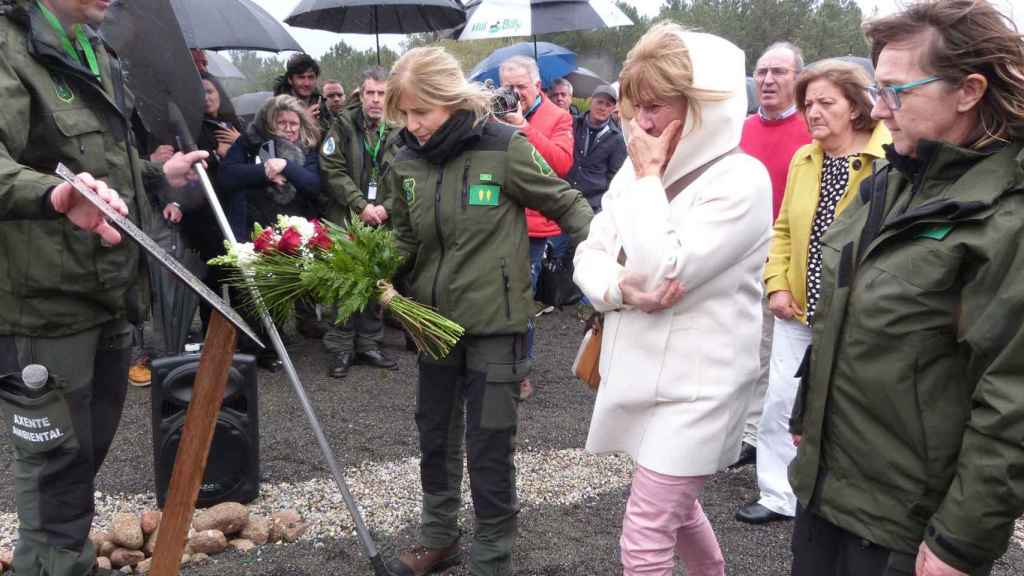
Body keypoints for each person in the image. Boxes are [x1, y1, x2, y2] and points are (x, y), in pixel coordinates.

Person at [789, 1, 1024, 574]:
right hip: (826, 496)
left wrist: (961, 543)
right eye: (877, 88)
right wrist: (805, 415)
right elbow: (843, 312)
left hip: (904, 528)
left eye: (897, 90)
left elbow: (1012, 398)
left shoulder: (1005, 220)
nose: (877, 108)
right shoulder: (893, 182)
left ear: (968, 91)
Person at [0, 0, 207, 574]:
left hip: (109, 292)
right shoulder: (10, 47)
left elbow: (99, 161)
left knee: (81, 460)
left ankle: (53, 559)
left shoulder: (96, 50)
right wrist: (55, 196)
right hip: (44, 303)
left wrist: (154, 174)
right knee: (54, 467)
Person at [382, 46, 593, 576]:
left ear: (450, 101)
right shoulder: (405, 157)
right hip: (433, 325)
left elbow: (568, 204)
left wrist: (601, 276)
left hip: (496, 324)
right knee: (434, 430)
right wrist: (370, 269)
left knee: (490, 440)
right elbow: (406, 237)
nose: (413, 125)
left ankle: (492, 554)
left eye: (421, 112)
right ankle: (439, 537)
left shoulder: (504, 146)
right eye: (404, 113)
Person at [573, 23, 771, 576]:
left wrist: (646, 182)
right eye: (637, 108)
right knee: (677, 511)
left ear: (705, 106)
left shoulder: (743, 179)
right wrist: (618, 289)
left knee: (646, 531)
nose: (644, 123)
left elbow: (662, 266)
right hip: (637, 371)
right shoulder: (637, 173)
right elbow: (589, 256)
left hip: (699, 387)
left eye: (657, 106)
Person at [734, 60, 890, 526]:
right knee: (781, 400)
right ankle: (779, 494)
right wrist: (777, 285)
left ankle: (849, 497)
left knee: (853, 406)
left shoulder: (889, 160)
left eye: (827, 103)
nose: (814, 113)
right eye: (808, 104)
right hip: (800, 309)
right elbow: (783, 229)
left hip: (859, 313)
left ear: (857, 106)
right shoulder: (806, 158)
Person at [732, 41, 812, 470]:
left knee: (768, 351)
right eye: (762, 72)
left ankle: (756, 436)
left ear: (797, 78)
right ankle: (738, 429)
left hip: (783, 256)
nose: (767, 80)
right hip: (735, 253)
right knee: (737, 347)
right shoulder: (740, 129)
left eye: (779, 72)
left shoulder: (811, 130)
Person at [219, 94, 322, 370]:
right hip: (252, 223)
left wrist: (287, 166)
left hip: (290, 227)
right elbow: (226, 176)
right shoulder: (249, 143)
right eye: (282, 123)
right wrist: (262, 171)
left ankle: (274, 340)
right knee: (252, 289)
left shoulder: (307, 148)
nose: (289, 128)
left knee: (279, 287)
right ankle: (255, 347)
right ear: (269, 123)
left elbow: (314, 183)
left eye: (294, 123)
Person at [498, 55, 575, 399]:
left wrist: (524, 129)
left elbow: (560, 164)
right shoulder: (493, 112)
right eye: (507, 86)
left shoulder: (558, 117)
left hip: (532, 225)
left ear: (537, 85)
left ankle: (521, 368)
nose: (514, 93)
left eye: (520, 87)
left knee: (521, 299)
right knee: (496, 295)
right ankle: (495, 362)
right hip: (496, 217)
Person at [319, 66, 400, 378]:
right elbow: (332, 169)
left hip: (383, 218)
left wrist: (386, 207)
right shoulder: (342, 125)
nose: (376, 100)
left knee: (374, 279)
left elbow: (408, 172)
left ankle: (369, 343)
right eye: (370, 93)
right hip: (347, 217)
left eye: (382, 93)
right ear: (360, 94)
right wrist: (361, 204)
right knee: (342, 283)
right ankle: (340, 346)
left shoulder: (398, 128)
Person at [183, 73, 243, 335]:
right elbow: (194, 171)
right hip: (205, 215)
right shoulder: (192, 128)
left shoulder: (231, 125)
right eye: (200, 93)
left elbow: (250, 162)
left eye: (210, 91)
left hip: (235, 211)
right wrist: (220, 156)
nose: (206, 97)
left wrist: (240, 145)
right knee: (212, 280)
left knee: (241, 278)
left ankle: (245, 339)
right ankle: (213, 337)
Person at [566, 84, 627, 213]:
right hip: (563, 196)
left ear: (613, 108)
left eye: (608, 104)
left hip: (592, 206)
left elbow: (615, 177)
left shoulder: (617, 139)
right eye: (599, 102)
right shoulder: (572, 124)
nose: (602, 108)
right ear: (590, 101)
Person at [273, 52, 328, 133]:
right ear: (290, 80)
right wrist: (303, 121)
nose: (307, 83)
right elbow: (278, 140)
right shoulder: (277, 107)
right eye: (301, 77)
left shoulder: (320, 104)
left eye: (311, 77)